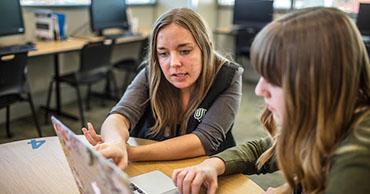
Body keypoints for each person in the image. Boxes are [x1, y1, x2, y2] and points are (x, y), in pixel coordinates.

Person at [172, 7, 370, 194]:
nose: (259, 89)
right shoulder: (328, 121)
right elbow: (266, 149)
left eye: (274, 79)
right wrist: (211, 165)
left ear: (319, 81)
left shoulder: (358, 155)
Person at [82, 8, 243, 170]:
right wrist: (115, 143)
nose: (174, 63)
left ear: (207, 49)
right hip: (153, 167)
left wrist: (130, 152)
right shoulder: (152, 71)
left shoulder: (228, 76)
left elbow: (205, 140)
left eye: (185, 51)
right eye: (163, 53)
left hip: (204, 169)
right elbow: (119, 115)